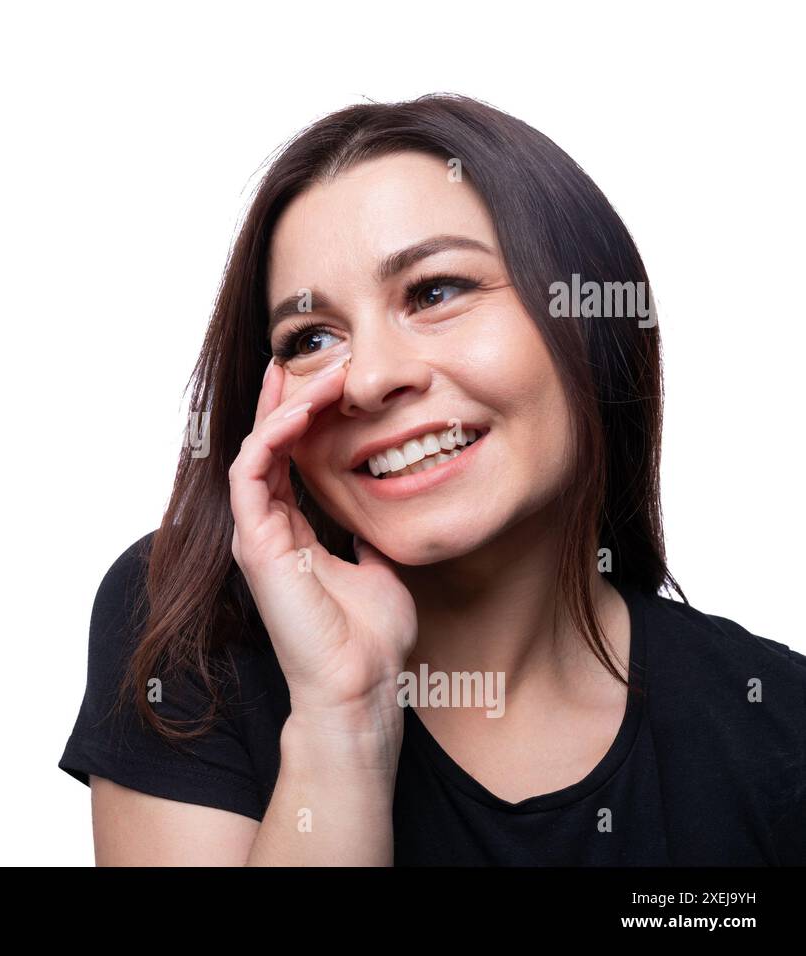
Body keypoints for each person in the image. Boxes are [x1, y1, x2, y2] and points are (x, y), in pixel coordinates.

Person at [58, 94, 806, 865]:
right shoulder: (186, 624)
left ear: (588, 311)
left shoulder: (778, 724)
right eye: (312, 337)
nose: (370, 379)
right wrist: (342, 718)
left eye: (435, 292)